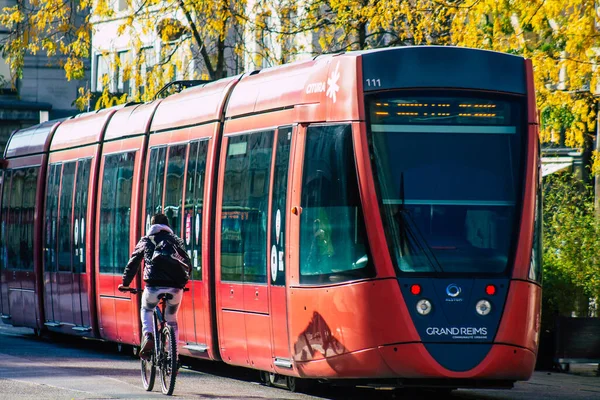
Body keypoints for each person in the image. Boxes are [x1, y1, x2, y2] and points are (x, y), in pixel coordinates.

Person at [118, 213, 191, 359]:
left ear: (151, 226)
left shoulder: (146, 240)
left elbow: (133, 263)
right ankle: (174, 357)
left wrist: (125, 283)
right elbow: (186, 263)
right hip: (175, 288)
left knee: (146, 308)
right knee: (172, 319)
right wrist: (183, 282)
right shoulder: (177, 241)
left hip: (153, 286)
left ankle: (149, 336)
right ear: (168, 226)